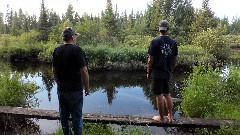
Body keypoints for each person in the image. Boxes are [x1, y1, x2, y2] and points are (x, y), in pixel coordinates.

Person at [52, 27, 90, 135]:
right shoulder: (78, 50)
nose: (76, 38)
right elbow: (84, 71)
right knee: (77, 118)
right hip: (75, 90)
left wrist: (58, 82)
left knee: (64, 117)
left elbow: (54, 70)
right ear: (72, 37)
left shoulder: (57, 50)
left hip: (62, 90)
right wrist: (87, 88)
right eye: (75, 36)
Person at [147, 20, 178, 123]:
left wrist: (148, 72)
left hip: (157, 73)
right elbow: (174, 59)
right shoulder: (173, 42)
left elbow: (150, 60)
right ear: (167, 29)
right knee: (167, 94)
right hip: (167, 72)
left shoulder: (154, 42)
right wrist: (171, 70)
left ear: (158, 29)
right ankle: (170, 116)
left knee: (159, 95)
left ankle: (161, 117)